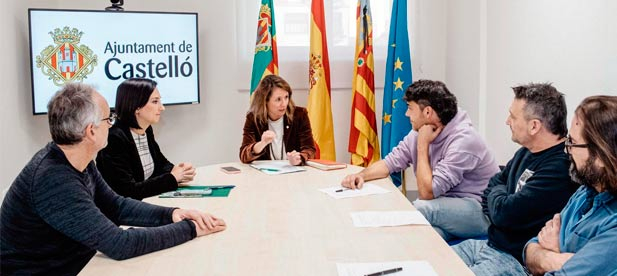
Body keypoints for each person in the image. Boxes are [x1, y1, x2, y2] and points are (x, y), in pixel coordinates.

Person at [0, 83, 226, 275]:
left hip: (77, 262)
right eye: (109, 119)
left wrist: (173, 214)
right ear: (91, 131)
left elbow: (116, 206)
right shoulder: (54, 179)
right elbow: (119, 244)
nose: (112, 124)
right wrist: (191, 229)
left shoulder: (78, 159)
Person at [341, 79, 499, 240]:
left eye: (410, 108)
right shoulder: (420, 131)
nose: (406, 114)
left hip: (479, 212)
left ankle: (373, 233)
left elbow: (427, 194)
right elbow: (390, 162)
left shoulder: (464, 140)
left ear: (428, 112)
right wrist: (361, 175)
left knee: (422, 208)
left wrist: (422, 146)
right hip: (444, 209)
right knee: (419, 237)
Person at [452, 83, 577, 275]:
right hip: (489, 244)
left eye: (513, 116)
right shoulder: (525, 152)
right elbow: (492, 185)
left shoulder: (560, 168)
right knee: (429, 261)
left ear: (534, 126)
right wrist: (499, 202)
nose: (507, 121)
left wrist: (499, 203)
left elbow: (504, 214)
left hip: (514, 260)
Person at [524, 95, 617, 275]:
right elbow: (530, 249)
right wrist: (557, 258)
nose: (567, 150)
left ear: (600, 156)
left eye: (572, 143)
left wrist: (549, 254)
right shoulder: (585, 191)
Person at [96, 78, 196, 200]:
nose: (162, 108)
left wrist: (179, 170)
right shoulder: (114, 138)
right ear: (136, 106)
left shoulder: (146, 130)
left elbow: (160, 164)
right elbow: (127, 191)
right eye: (155, 102)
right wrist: (173, 178)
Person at [240, 74, 316, 165]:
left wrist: (299, 158)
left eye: (286, 97)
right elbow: (243, 155)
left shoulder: (299, 115)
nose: (284, 104)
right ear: (265, 101)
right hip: (265, 175)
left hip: (294, 172)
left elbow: (310, 149)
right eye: (278, 99)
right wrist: (262, 143)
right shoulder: (253, 118)